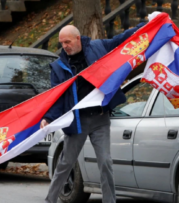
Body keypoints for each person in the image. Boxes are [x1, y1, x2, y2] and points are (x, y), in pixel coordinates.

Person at [40, 23, 144, 203]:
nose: (65, 46)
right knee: (66, 163)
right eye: (62, 43)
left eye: (67, 41)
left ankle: (109, 201)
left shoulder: (97, 47)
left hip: (100, 119)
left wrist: (146, 26)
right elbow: (56, 97)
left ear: (78, 38)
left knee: (105, 162)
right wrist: (48, 117)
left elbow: (121, 39)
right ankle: (50, 200)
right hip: (77, 122)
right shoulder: (58, 67)